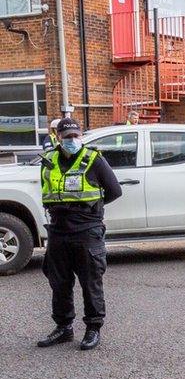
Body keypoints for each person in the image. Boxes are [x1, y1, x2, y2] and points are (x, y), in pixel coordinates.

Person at [36, 117, 122, 351]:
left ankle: (93, 329)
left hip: (87, 230)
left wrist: (92, 210)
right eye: (67, 137)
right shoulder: (49, 160)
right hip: (58, 229)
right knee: (59, 282)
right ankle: (64, 328)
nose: (72, 140)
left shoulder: (94, 159)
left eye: (76, 135)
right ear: (58, 138)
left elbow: (114, 191)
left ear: (80, 135)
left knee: (90, 282)